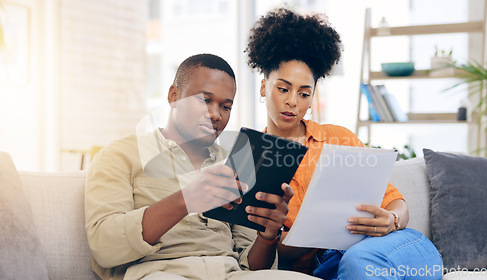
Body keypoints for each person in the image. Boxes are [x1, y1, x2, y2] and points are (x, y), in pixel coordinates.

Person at [245, 8, 443, 280]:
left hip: (395, 247)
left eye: (304, 93)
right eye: (283, 89)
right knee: (354, 264)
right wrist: (296, 235)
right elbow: (265, 257)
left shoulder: (338, 139)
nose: (293, 101)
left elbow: (396, 203)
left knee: (360, 259)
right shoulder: (253, 160)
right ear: (263, 87)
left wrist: (391, 220)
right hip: (332, 265)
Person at [85, 54, 320, 280]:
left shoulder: (236, 162)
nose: (215, 114)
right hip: (161, 273)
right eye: (204, 100)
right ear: (173, 96)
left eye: (226, 106)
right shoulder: (120, 155)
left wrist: (268, 236)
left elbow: (253, 267)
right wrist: (186, 200)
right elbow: (104, 247)